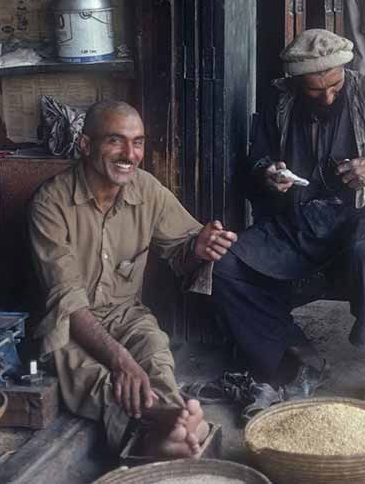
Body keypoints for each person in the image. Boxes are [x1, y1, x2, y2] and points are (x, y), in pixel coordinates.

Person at [211, 29, 365, 409]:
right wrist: (268, 173)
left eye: (335, 86)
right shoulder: (280, 100)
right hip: (301, 219)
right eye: (315, 91)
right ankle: (300, 354)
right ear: (297, 83)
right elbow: (257, 160)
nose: (328, 97)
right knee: (225, 265)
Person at [29, 101, 237, 457]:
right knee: (93, 378)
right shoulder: (50, 204)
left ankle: (175, 422)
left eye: (138, 142)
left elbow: (183, 252)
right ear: (85, 145)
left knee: (155, 353)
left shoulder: (147, 190)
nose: (130, 154)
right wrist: (121, 361)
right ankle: (167, 424)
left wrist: (199, 249)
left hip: (126, 315)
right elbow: (68, 301)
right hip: (69, 324)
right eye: (116, 141)